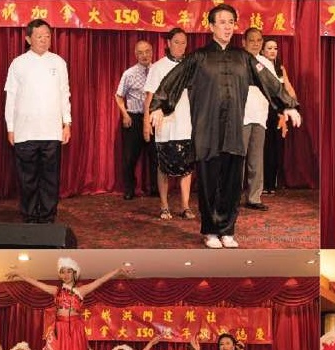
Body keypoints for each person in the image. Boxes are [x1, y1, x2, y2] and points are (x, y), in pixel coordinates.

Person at [149, 3, 301, 249]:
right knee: (209, 183)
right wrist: (158, 106)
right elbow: (173, 80)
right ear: (211, 26)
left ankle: (227, 230)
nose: (228, 27)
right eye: (222, 22)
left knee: (232, 184)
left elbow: (268, 81)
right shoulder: (198, 57)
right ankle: (210, 230)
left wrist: (287, 106)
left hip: (233, 131)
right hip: (207, 131)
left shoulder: (244, 58)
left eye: (231, 22)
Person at [6, 257, 131, 350]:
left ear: (74, 273)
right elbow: (37, 283)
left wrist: (118, 270)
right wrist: (20, 274)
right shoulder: (56, 291)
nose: (65, 275)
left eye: (69, 271)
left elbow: (100, 280)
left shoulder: (81, 290)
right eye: (63, 272)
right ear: (60, 274)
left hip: (75, 328)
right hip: (59, 328)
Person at [4, 19, 71, 224]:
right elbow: (11, 97)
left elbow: (64, 94)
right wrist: (10, 127)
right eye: (39, 36)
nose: (44, 40)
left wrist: (67, 123)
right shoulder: (18, 63)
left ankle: (48, 215)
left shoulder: (58, 62)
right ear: (28, 39)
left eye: (47, 36)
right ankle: (30, 215)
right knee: (28, 177)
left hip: (52, 130)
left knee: (50, 177)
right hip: (25, 131)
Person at [143, 28, 195, 221]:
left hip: (186, 123)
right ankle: (164, 206)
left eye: (183, 42)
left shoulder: (191, 66)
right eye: (176, 42)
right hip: (164, 124)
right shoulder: (158, 67)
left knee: (187, 167)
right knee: (163, 167)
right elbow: (149, 97)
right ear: (168, 43)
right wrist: (146, 123)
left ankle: (185, 206)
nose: (180, 46)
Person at [115, 40, 157, 200]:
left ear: (152, 52)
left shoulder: (158, 71)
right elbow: (118, 96)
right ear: (135, 55)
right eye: (140, 52)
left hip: (153, 118)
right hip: (134, 118)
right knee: (129, 157)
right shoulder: (129, 73)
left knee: (156, 156)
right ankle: (129, 189)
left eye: (147, 51)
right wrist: (125, 114)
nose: (144, 55)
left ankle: (155, 188)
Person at [260, 38, 297, 194]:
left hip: (278, 113)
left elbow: (289, 89)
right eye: (269, 48)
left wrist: (292, 106)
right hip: (262, 111)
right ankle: (260, 184)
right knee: (263, 147)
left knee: (276, 147)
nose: (273, 51)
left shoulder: (280, 68)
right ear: (262, 51)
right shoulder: (258, 67)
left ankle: (271, 184)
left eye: (275, 48)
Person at [241, 27, 270, 212]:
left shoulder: (266, 63)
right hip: (241, 117)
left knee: (256, 159)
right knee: (237, 160)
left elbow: (275, 89)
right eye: (251, 40)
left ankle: (254, 197)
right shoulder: (238, 61)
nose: (256, 44)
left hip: (260, 117)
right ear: (243, 42)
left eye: (259, 40)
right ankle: (232, 196)